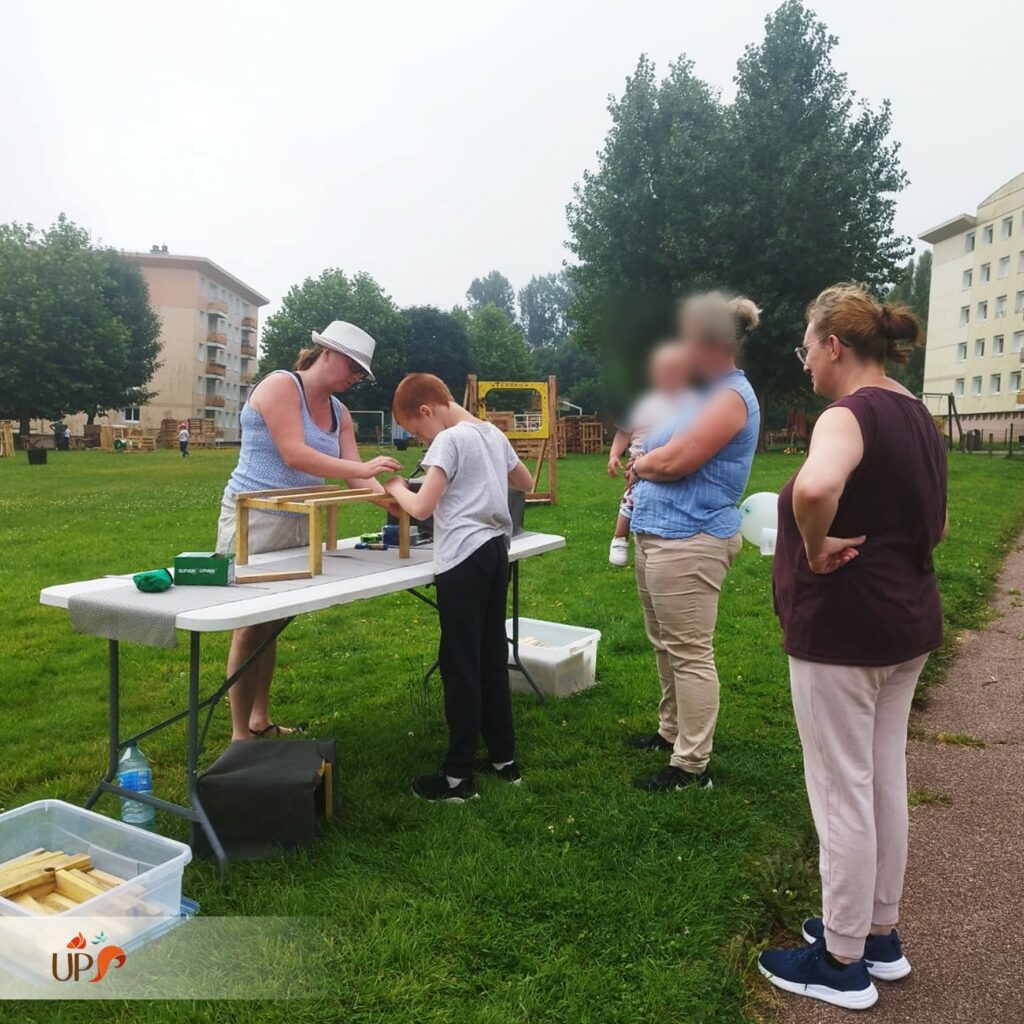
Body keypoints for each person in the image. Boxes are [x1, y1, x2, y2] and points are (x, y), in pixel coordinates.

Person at [758, 285, 948, 1011]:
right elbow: (939, 525)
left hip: (844, 632)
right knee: (878, 779)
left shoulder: (850, 413)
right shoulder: (914, 412)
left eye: (807, 346)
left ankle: (840, 961)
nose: (804, 360)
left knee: (841, 787)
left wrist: (813, 547)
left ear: (834, 345)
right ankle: (877, 935)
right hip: (907, 625)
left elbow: (816, 489)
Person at [215, 320, 402, 742]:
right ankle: (239, 736)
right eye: (354, 369)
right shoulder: (281, 386)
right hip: (255, 518)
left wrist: (401, 503)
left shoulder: (340, 413)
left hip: (303, 518)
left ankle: (259, 718)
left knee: (274, 620)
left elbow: (357, 479)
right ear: (328, 353)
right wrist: (363, 468)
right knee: (248, 625)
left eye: (361, 374)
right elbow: (294, 453)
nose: (356, 379)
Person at [626, 292, 761, 791]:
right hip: (658, 534)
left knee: (689, 652)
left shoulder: (730, 398)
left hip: (692, 538)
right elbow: (656, 447)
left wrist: (639, 465)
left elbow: (673, 461)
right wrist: (646, 462)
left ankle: (690, 765)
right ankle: (670, 733)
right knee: (665, 645)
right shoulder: (700, 394)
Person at [384, 373, 535, 802]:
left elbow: (422, 507)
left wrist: (396, 487)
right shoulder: (492, 433)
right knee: (491, 657)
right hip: (494, 553)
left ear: (428, 410)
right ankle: (505, 761)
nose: (419, 440)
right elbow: (523, 482)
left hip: (462, 560)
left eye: (416, 431)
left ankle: (456, 779)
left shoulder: (447, 442)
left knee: (459, 665)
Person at [607, 344, 692, 567]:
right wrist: (614, 455)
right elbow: (623, 432)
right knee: (631, 500)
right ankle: (619, 538)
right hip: (638, 461)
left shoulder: (682, 403)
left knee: (662, 495)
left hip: (663, 459)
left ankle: (660, 533)